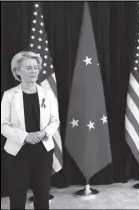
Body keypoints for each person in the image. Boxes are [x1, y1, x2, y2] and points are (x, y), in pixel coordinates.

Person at [1, 51, 60, 209]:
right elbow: (3, 125)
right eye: (28, 68)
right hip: (17, 151)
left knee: (42, 195)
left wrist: (43, 133)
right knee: (17, 196)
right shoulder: (9, 95)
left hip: (43, 149)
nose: (33, 71)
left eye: (35, 67)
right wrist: (25, 137)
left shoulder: (47, 94)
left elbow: (55, 121)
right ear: (17, 71)